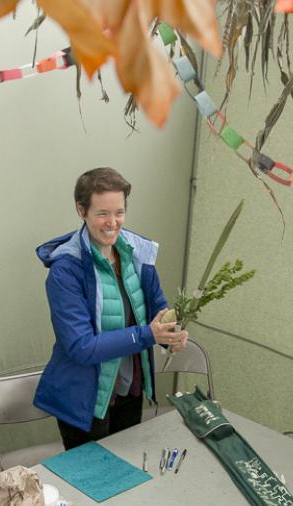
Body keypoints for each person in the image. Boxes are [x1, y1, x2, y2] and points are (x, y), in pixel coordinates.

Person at [34, 167, 189, 449]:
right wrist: (147, 335)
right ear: (82, 211)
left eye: (119, 212)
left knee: (128, 476)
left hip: (129, 390)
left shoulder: (136, 252)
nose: (112, 223)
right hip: (85, 400)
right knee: (93, 485)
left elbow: (157, 309)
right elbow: (81, 347)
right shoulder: (66, 270)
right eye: (102, 213)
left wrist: (171, 334)